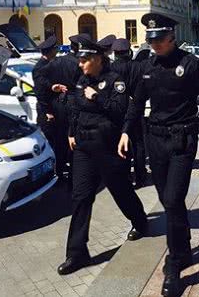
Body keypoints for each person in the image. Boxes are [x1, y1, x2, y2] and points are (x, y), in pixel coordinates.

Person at [118, 13, 199, 297]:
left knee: (174, 200)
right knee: (168, 201)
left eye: (159, 40)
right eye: (151, 40)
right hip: (155, 139)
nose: (154, 45)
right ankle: (185, 246)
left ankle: (174, 265)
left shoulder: (190, 64)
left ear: (171, 37)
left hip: (182, 139)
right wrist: (127, 130)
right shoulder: (146, 66)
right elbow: (136, 103)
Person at [58, 37, 147, 275]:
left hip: (108, 147)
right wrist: (70, 132)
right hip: (84, 147)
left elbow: (120, 111)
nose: (80, 64)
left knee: (121, 190)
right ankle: (76, 253)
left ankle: (140, 221)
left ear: (97, 59)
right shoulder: (81, 81)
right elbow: (74, 108)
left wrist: (96, 97)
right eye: (80, 60)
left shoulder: (114, 81)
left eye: (85, 60)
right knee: (81, 197)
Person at [111, 38, 147, 187]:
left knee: (120, 143)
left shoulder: (111, 68)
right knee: (138, 143)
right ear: (129, 52)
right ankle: (140, 176)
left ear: (115, 53)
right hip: (136, 109)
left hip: (117, 111)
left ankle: (125, 176)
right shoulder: (138, 67)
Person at [46, 35, 83, 181]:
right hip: (74, 101)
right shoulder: (79, 63)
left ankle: (59, 171)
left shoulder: (58, 61)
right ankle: (75, 171)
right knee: (74, 137)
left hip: (59, 102)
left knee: (60, 138)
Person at [33, 35, 59, 164]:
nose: (57, 51)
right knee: (49, 140)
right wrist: (47, 111)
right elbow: (40, 92)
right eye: (55, 49)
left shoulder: (50, 64)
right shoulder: (40, 68)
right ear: (50, 51)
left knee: (56, 139)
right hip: (46, 110)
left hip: (54, 107)